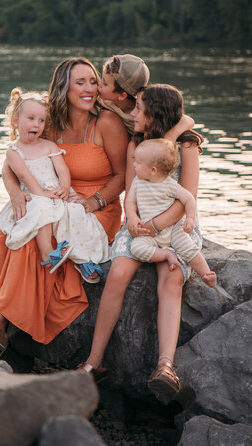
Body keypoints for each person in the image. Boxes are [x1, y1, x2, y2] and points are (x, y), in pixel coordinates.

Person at [0, 57, 129, 352]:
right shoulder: (50, 123)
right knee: (3, 233)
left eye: (93, 81)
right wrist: (14, 193)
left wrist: (93, 201)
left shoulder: (106, 122)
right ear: (64, 88)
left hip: (94, 208)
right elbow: (12, 162)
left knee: (31, 238)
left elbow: (124, 174)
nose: (89, 89)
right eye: (80, 82)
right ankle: (3, 311)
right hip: (52, 201)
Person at [78, 83, 206, 405]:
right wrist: (135, 224)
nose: (132, 114)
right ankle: (94, 361)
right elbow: (130, 194)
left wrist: (156, 226)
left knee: (172, 277)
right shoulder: (137, 142)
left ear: (155, 114)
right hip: (137, 226)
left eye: (138, 110)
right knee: (118, 274)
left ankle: (166, 366)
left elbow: (187, 196)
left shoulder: (186, 147)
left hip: (176, 226)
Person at [0, 87, 109, 282]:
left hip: (56, 191)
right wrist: (40, 194)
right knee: (42, 209)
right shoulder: (14, 151)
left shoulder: (48, 146)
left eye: (41, 121)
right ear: (15, 121)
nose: (36, 124)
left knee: (78, 213)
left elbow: (63, 170)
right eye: (31, 118)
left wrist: (64, 187)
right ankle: (48, 254)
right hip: (34, 194)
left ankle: (85, 259)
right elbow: (24, 175)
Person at [127, 138, 216, 287]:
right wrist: (132, 217)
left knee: (188, 247)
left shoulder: (170, 184)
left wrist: (190, 219)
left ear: (153, 170)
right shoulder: (137, 182)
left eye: (138, 163)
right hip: (150, 234)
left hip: (173, 228)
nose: (134, 165)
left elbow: (189, 199)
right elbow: (130, 201)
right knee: (136, 248)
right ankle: (166, 255)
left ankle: (206, 274)